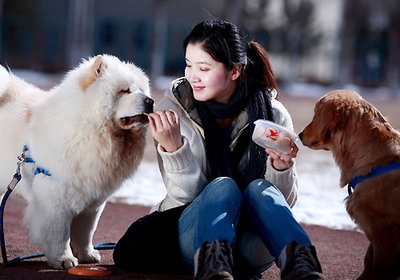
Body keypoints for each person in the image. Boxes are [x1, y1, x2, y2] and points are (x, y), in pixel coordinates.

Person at [113, 19, 326, 280]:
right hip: (194, 237)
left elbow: (280, 206)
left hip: (251, 246)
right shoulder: (173, 112)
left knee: (261, 190)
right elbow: (184, 198)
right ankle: (213, 268)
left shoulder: (273, 116)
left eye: (204, 68)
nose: (192, 76)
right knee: (223, 186)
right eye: (189, 65)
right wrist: (174, 149)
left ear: (234, 71)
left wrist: (280, 169)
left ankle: (303, 266)